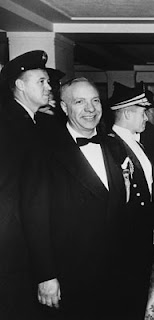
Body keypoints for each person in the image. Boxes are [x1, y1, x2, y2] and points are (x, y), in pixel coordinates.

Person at [21, 77, 133, 319]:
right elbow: (34, 218)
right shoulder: (45, 151)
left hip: (115, 275)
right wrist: (45, 275)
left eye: (94, 101)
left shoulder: (114, 147)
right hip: (71, 277)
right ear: (64, 108)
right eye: (80, 102)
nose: (90, 109)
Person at [0, 50, 51, 319]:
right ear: (20, 85)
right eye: (41, 81)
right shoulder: (9, 124)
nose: (49, 87)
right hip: (12, 249)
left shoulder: (32, 122)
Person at [106, 83, 154, 318]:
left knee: (137, 298)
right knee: (125, 302)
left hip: (142, 236)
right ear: (127, 112)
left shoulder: (136, 143)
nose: (147, 118)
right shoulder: (111, 145)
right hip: (125, 240)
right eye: (142, 111)